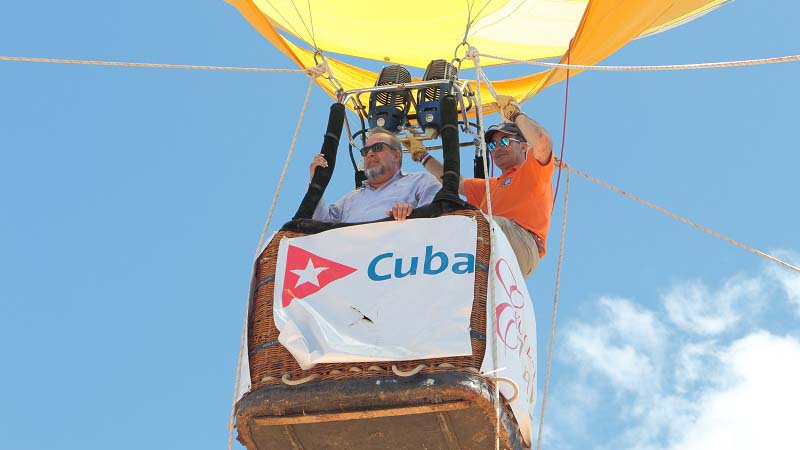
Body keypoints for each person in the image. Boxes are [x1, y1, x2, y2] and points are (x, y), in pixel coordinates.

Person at [412, 97, 554, 277]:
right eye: (493, 145)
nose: (497, 148)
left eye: (504, 142)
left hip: (520, 242)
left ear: (524, 147)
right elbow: (457, 184)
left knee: (473, 222)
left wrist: (514, 114)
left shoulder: (532, 171)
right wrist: (422, 156)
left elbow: (542, 141)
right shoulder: (491, 186)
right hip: (492, 239)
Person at [310, 127, 441, 222]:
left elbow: (435, 221)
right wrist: (315, 181)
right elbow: (320, 224)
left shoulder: (421, 182)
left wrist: (413, 214)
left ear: (396, 155)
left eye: (377, 148)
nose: (370, 154)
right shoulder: (349, 200)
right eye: (365, 151)